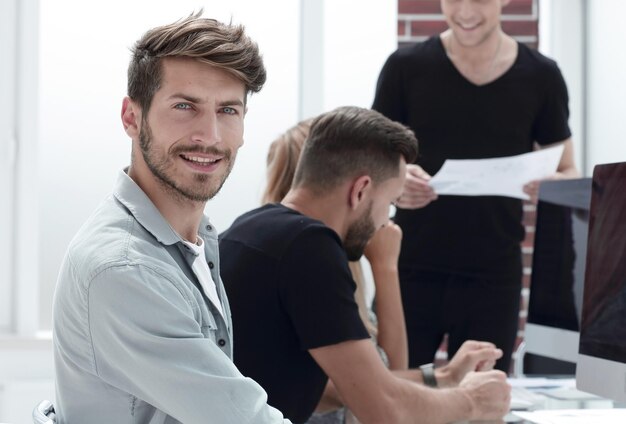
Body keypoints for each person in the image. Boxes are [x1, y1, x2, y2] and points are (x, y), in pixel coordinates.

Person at [52, 12, 292, 423]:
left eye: (228, 111)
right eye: (185, 106)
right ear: (132, 117)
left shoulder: (194, 241)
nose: (211, 136)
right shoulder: (126, 268)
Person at [219, 106, 511, 424]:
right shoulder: (310, 247)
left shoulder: (253, 228)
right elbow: (384, 410)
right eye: (389, 203)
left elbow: (352, 388)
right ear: (360, 191)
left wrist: (445, 379)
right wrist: (471, 402)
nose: (385, 221)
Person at [371, 0, 579, 372]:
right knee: (392, 386)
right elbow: (373, 162)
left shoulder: (542, 76)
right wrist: (398, 181)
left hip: (493, 273)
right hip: (412, 265)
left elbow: (567, 170)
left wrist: (551, 184)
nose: (465, 11)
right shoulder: (405, 67)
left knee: (480, 397)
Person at [260, 119, 408, 423]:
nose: (387, 218)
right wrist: (385, 266)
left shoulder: (267, 236)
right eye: (389, 202)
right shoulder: (313, 256)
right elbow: (381, 390)